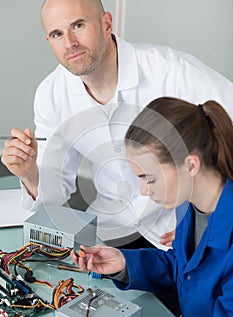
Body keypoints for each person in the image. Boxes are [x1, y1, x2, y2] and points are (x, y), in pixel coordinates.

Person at [1, 0, 233, 250]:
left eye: (78, 25)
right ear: (49, 41)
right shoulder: (51, 94)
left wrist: (206, 220)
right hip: (117, 232)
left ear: (106, 23)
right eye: (57, 34)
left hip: (182, 232)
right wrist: (29, 173)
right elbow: (56, 187)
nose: (70, 43)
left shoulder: (171, 71)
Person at [71, 97, 233, 317]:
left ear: (191, 164)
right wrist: (124, 263)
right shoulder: (190, 204)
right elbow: (187, 271)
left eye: (150, 178)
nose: (144, 191)